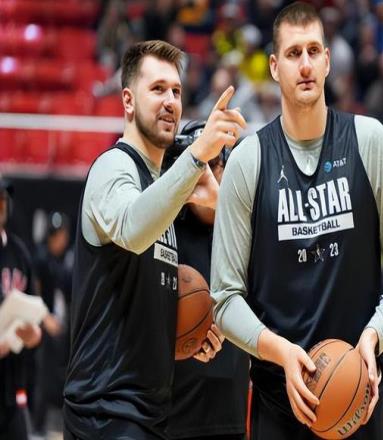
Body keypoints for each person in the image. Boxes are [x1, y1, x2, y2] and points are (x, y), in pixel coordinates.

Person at [211, 3, 383, 440]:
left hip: (357, 397)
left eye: (313, 51)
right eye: (293, 54)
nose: (305, 65)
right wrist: (281, 352)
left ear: (328, 60)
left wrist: (374, 336)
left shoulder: (370, 141)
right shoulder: (249, 160)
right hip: (278, 401)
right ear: (274, 67)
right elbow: (225, 298)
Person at [63, 40, 246, 440]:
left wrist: (192, 330)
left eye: (176, 91)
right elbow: (132, 229)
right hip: (105, 410)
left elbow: (144, 297)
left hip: (148, 412)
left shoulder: (161, 188)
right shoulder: (114, 167)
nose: (170, 101)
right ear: (128, 101)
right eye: (158, 89)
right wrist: (196, 156)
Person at [164, 134, 249, 440]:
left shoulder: (245, 231)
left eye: (213, 164)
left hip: (230, 411)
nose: (205, 175)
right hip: (171, 412)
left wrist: (230, 325)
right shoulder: (164, 229)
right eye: (196, 165)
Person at [0, 175, 42, 440]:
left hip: (11, 389)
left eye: (3, 200)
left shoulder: (19, 252)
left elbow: (35, 314)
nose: (1, 205)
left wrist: (33, 335)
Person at [32, 212, 72, 437]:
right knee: (41, 375)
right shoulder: (40, 258)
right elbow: (34, 291)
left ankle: (55, 422)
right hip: (42, 325)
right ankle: (36, 426)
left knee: (59, 374)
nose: (61, 239)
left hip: (60, 326)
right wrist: (45, 318)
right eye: (57, 235)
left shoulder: (64, 261)